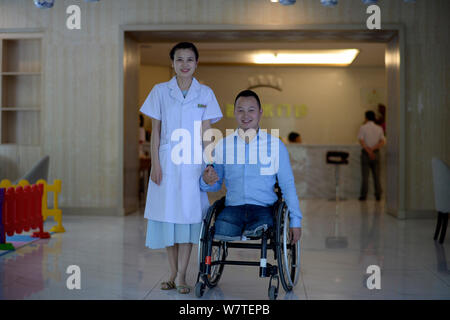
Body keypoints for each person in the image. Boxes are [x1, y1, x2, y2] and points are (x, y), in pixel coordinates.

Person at [139, 42, 223, 294]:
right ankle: (172, 272)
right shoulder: (160, 91)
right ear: (172, 63)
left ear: (197, 63)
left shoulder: (205, 92)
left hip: (193, 162)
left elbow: (208, 131)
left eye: (189, 59)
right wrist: (155, 163)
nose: (184, 64)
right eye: (179, 60)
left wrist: (210, 162)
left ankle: (183, 275)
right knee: (168, 217)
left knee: (188, 217)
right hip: (165, 159)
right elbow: (156, 131)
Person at [200, 90, 302, 244]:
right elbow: (215, 185)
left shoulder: (275, 146)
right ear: (234, 112)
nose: (245, 115)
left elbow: (287, 185)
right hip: (233, 208)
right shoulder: (223, 146)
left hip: (263, 209)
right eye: (240, 110)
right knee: (221, 231)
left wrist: (295, 221)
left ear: (260, 113)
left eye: (251, 110)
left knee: (260, 228)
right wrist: (206, 180)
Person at [358, 110, 385, 201]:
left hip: (366, 154)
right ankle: (378, 195)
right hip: (376, 153)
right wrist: (373, 150)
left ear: (366, 118)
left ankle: (363, 196)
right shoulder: (379, 128)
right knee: (376, 176)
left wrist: (368, 151)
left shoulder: (363, 128)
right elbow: (382, 141)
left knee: (365, 176)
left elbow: (361, 141)